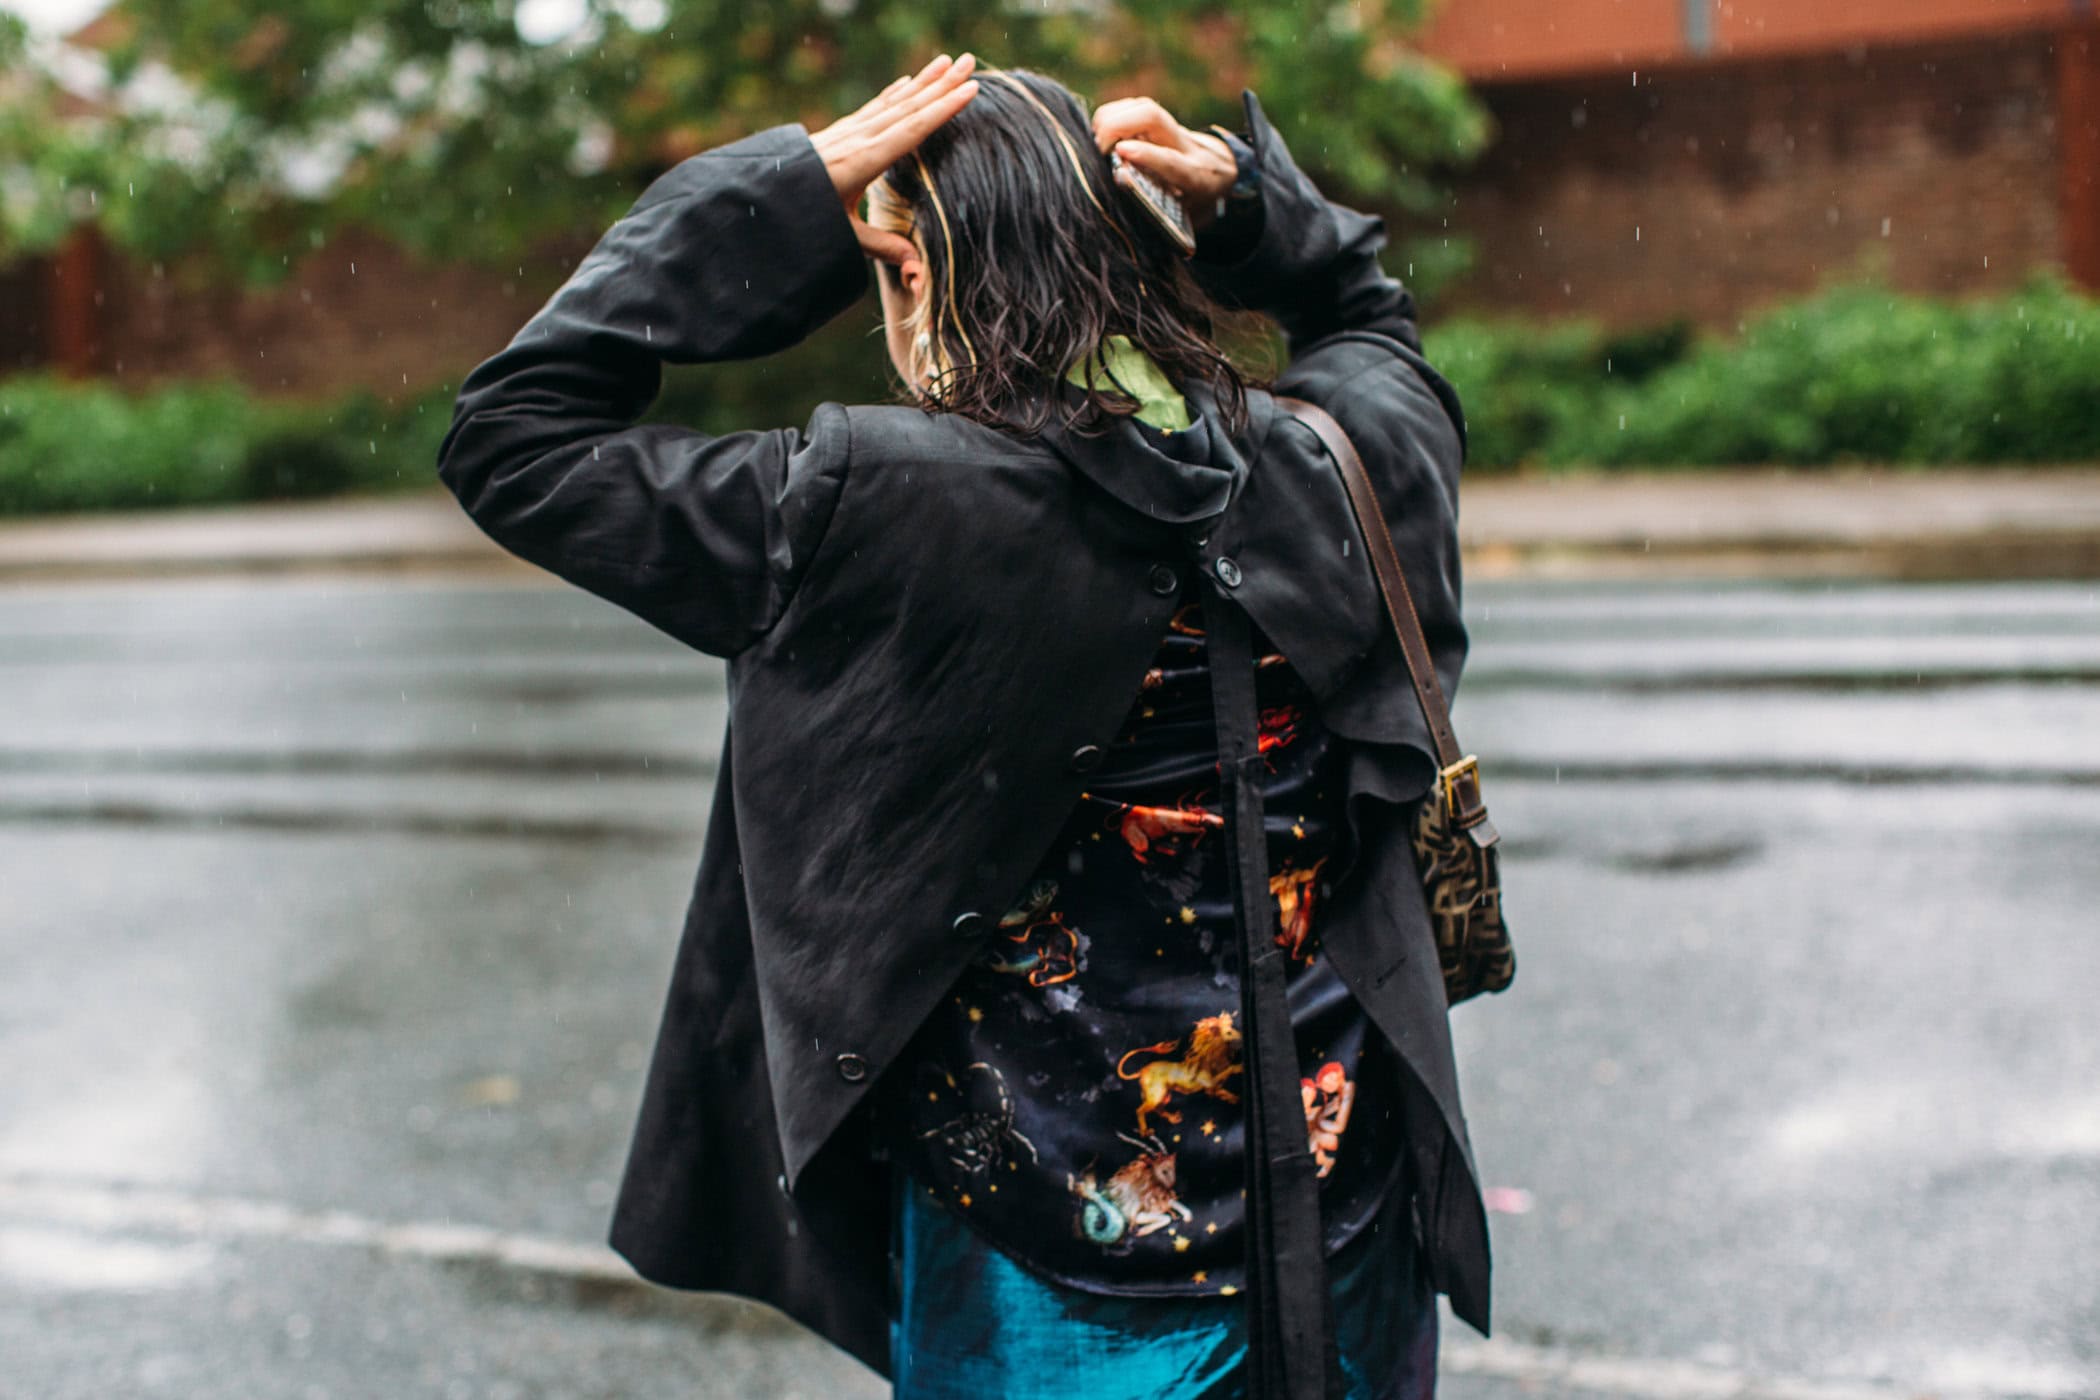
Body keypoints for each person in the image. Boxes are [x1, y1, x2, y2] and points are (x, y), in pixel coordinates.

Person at [437, 50, 1489, 1400]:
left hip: (1049, 1275)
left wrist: (776, 201)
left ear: (913, 275)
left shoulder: (870, 502)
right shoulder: (1349, 456)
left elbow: (514, 434)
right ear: (1140, 245)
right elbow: (1370, 320)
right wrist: (1249, 207)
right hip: (1351, 1231)